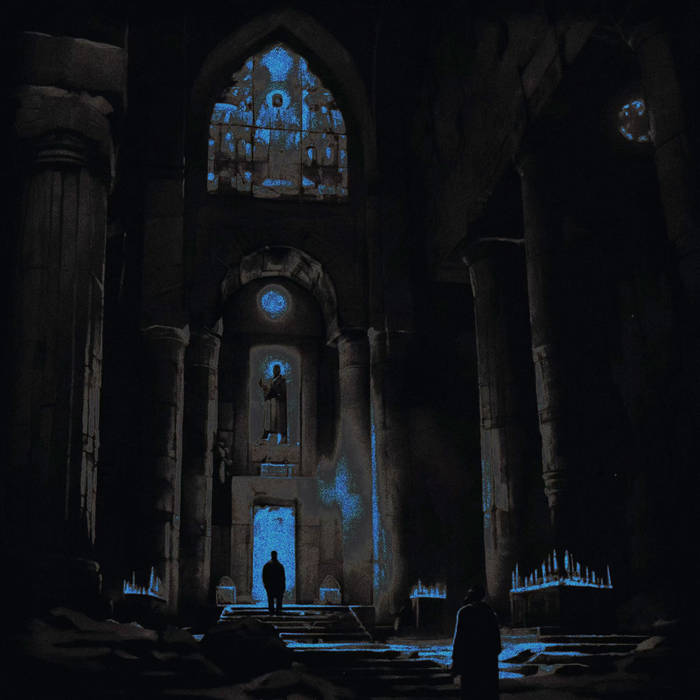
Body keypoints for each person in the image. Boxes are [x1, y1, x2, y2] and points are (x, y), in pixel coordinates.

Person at [451, 584, 502, 698]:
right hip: (487, 663)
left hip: (470, 662)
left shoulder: (464, 612)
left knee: (470, 692)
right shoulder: (490, 613)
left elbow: (459, 640)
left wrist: (456, 661)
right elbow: (497, 643)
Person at [259, 365, 287, 443]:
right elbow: (269, 389)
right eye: (274, 369)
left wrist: (276, 392)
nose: (275, 371)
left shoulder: (282, 380)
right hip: (271, 401)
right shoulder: (272, 380)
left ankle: (282, 437)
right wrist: (265, 388)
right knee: (270, 419)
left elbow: (282, 391)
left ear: (279, 371)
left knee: (278, 419)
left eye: (276, 370)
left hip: (278, 402)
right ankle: (268, 434)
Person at [262, 550, 286, 615]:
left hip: (270, 586)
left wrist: (266, 585)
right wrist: (283, 586)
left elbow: (264, 576)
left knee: (271, 600)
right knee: (278, 601)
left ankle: (272, 613)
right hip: (278, 586)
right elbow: (283, 577)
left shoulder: (267, 565)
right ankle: (278, 612)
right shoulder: (280, 565)